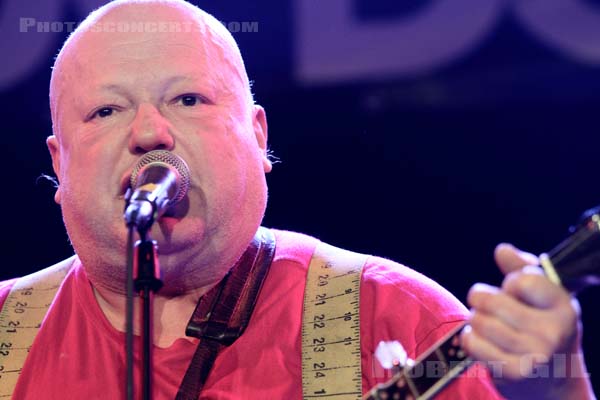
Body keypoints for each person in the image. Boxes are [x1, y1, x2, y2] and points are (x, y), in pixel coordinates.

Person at [0, 0, 595, 399]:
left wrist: (557, 387)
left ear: (258, 137)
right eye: (106, 110)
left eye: (189, 100)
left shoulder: (399, 319)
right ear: (59, 164)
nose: (150, 132)